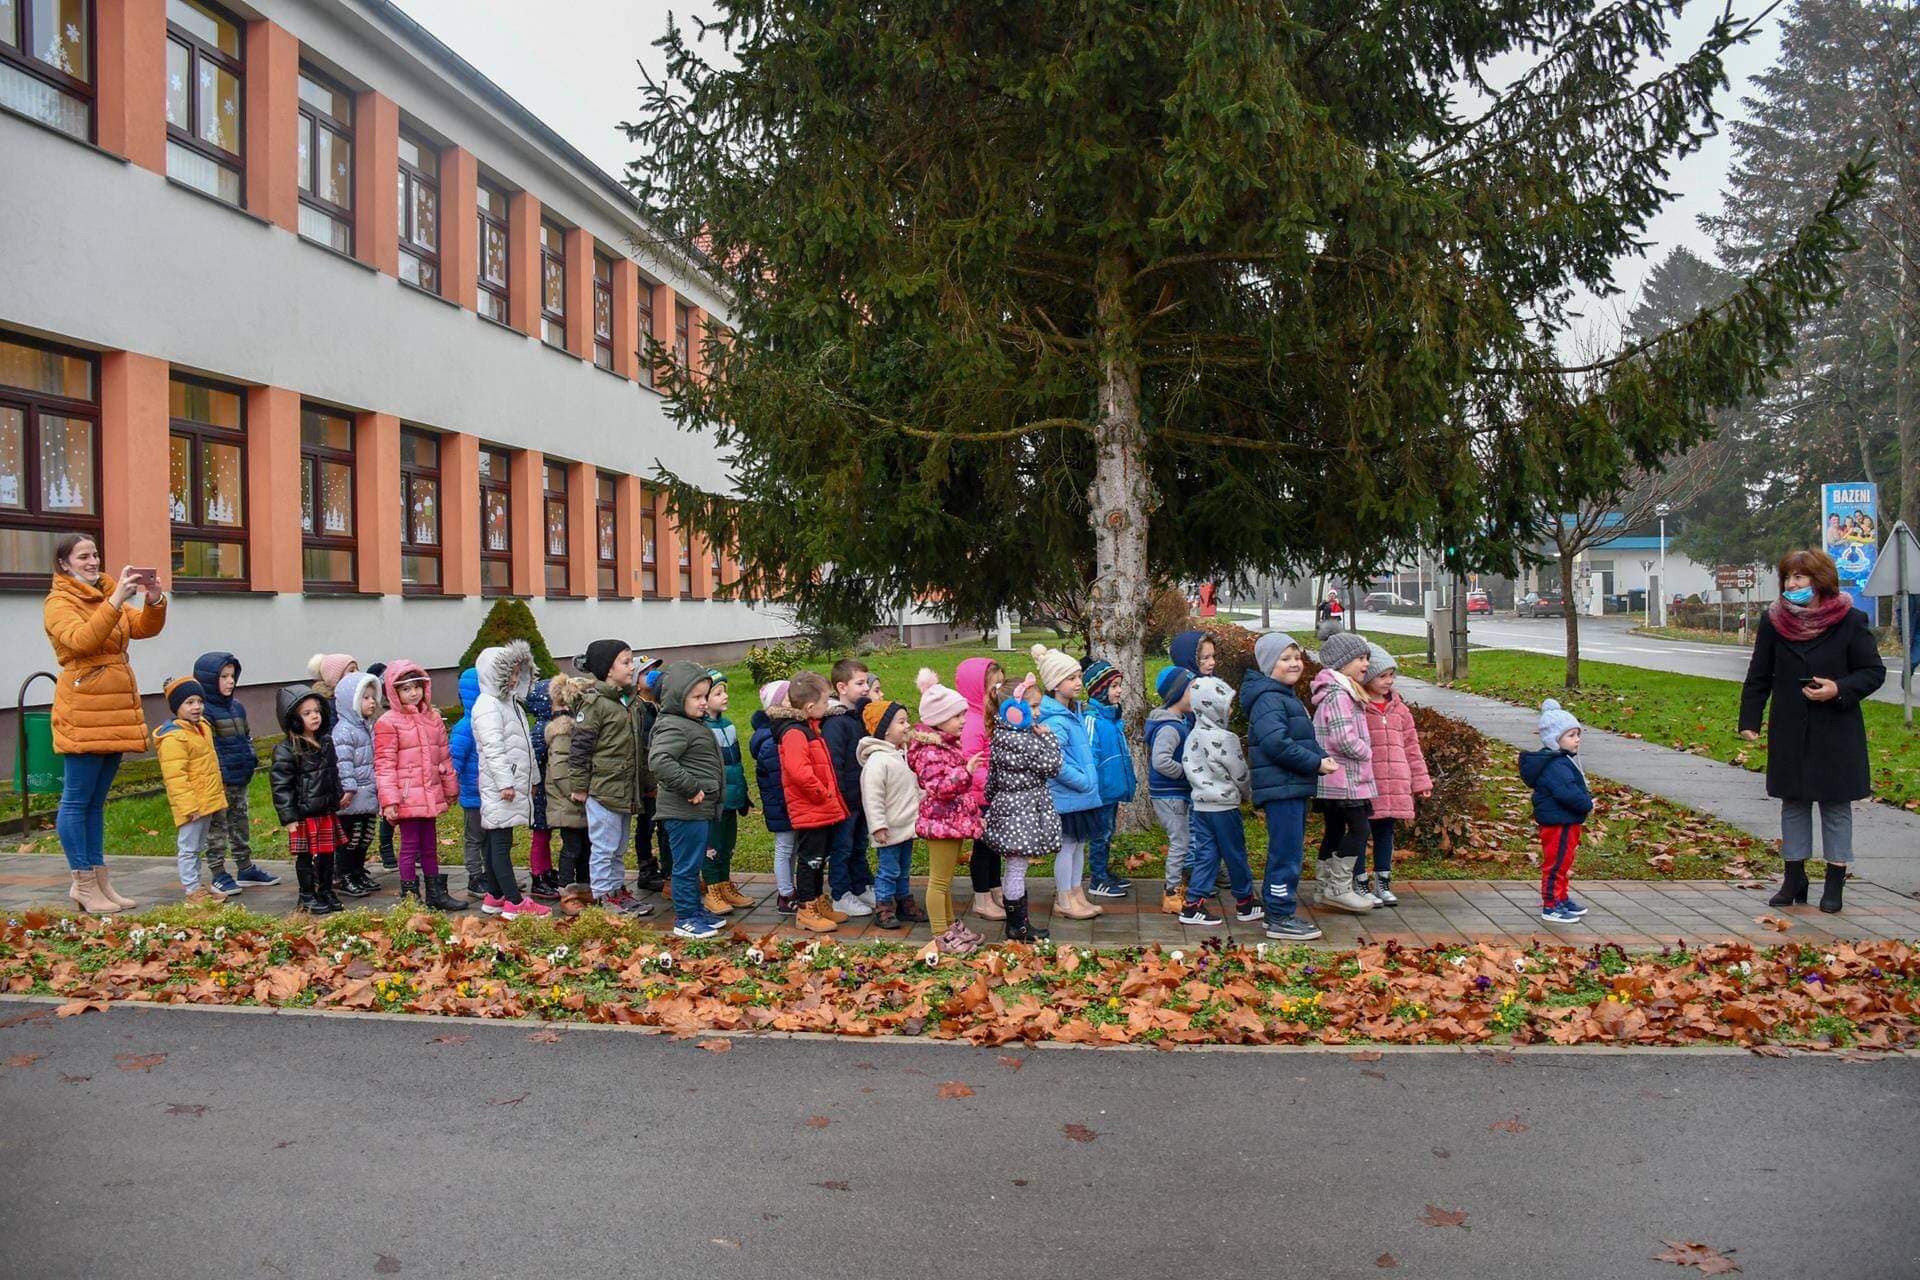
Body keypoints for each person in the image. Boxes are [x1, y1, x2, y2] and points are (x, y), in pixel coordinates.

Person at [1740, 548, 1887, 914]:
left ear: (1818, 580)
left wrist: (1839, 689)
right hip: (1791, 726)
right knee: (1793, 802)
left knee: (1835, 805)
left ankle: (1835, 880)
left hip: (1836, 728)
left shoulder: (1851, 620)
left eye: (1799, 577)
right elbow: (1760, 673)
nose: (1792, 584)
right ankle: (1794, 878)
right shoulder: (1773, 621)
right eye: (1788, 577)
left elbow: (1872, 671)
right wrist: (1750, 720)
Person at [43, 535, 166, 914]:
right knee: (77, 800)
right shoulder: (58, 603)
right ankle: (82, 881)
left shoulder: (105, 594)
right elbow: (82, 640)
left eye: (95, 554)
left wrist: (154, 598)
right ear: (64, 564)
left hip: (113, 709)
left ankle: (100, 881)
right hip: (84, 708)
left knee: (96, 803)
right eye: (83, 556)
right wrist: (115, 601)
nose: (93, 561)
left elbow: (143, 627)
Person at [1243, 631, 1335, 941]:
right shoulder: (1269, 699)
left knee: (1290, 851)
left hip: (1291, 787)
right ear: (1269, 665)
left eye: (1296, 657)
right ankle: (1279, 914)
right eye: (1285, 659)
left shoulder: (1283, 695)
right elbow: (1276, 744)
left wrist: (1320, 756)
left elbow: (1298, 739)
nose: (1294, 664)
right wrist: (1314, 763)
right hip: (1281, 789)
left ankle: (1279, 910)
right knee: (1285, 853)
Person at [569, 640, 654, 917]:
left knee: (618, 846)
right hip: (603, 790)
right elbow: (580, 747)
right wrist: (579, 786)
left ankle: (617, 891)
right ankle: (604, 895)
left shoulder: (630, 702)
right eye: (626, 662)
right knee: (604, 846)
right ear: (607, 669)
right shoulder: (595, 704)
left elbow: (639, 748)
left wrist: (647, 783)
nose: (632, 668)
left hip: (625, 789)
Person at [373, 662, 465, 910]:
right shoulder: (388, 723)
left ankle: (436, 893)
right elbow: (384, 764)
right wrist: (390, 800)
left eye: (417, 687)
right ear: (394, 693)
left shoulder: (432, 718)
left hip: (430, 792)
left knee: (430, 846)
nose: (413, 693)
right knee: (409, 846)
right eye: (405, 689)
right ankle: (411, 897)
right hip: (406, 796)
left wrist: (450, 788)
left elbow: (443, 756)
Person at [908, 668, 986, 953]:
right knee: (938, 882)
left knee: (946, 881)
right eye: (957, 716)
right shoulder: (930, 751)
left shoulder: (946, 746)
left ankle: (951, 925)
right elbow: (939, 787)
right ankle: (940, 934)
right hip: (940, 823)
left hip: (952, 821)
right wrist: (965, 772)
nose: (963, 721)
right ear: (939, 720)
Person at [649, 661, 726, 939]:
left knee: (694, 865)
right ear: (678, 698)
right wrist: (691, 787)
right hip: (684, 810)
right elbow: (659, 761)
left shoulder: (689, 723)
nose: (704, 703)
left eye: (706, 696)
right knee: (686, 866)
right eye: (696, 697)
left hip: (698, 810)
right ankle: (685, 918)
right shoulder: (674, 726)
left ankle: (694, 909)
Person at [471, 641, 547, 918]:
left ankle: (495, 895)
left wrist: (533, 778)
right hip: (501, 787)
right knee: (500, 843)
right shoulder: (488, 706)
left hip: (512, 783)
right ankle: (514, 901)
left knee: (496, 841)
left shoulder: (509, 703)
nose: (515, 678)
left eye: (517, 672)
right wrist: (506, 783)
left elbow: (524, 746)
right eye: (509, 673)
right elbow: (494, 749)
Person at [191, 651, 278, 893]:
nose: (230, 681)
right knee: (217, 827)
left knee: (240, 822)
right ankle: (218, 871)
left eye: (232, 676)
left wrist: (250, 758)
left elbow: (246, 736)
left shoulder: (237, 707)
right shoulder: (204, 712)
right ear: (208, 680)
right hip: (217, 781)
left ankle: (245, 866)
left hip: (240, 777)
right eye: (224, 676)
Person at [983, 680, 1062, 942]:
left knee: (1014, 867)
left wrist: (994, 803)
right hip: (1024, 811)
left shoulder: (1000, 736)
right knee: (1017, 869)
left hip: (1008, 807)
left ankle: (1020, 924)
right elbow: (1052, 766)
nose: (1038, 712)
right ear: (1014, 709)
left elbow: (992, 778)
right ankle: (1018, 927)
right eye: (1034, 706)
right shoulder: (1026, 740)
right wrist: (1049, 737)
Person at [1031, 642, 1104, 920]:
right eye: (1071, 678)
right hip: (1069, 796)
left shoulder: (1072, 711)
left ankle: (1076, 892)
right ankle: (1064, 896)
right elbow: (1054, 762)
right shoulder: (1057, 720)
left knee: (1078, 846)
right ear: (1054, 683)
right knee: (1068, 847)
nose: (1078, 682)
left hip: (1079, 797)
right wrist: (1083, 781)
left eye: (1078, 676)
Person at [772, 672, 849, 933]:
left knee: (819, 857)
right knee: (810, 859)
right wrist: (821, 793)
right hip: (811, 808)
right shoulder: (795, 732)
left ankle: (817, 900)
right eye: (826, 701)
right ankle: (806, 908)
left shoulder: (810, 728)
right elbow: (799, 771)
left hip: (820, 808)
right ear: (809, 707)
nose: (828, 706)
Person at [1179, 676, 1258, 926]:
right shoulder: (1226, 738)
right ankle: (1245, 901)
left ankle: (1193, 904)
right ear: (1214, 707)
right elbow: (1240, 773)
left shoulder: (1192, 735)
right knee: (1235, 853)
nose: (1231, 709)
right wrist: (1251, 795)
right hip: (1224, 807)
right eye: (1227, 704)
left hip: (1201, 806)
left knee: (1206, 854)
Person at [1356, 645, 1430, 906]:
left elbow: (1412, 747)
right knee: (1360, 833)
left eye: (1391, 675)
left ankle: (1383, 882)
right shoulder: (1359, 707)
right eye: (1382, 676)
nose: (1388, 681)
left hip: (1395, 784)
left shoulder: (1400, 709)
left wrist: (1420, 780)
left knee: (1385, 834)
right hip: (1368, 783)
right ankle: (1359, 881)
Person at [1310, 632, 1378, 913]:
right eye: (1360, 658)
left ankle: (1324, 885)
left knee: (1335, 829)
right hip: (1345, 778)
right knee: (1360, 829)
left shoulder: (1341, 691)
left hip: (1337, 780)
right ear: (1343, 662)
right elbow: (1342, 738)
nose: (1365, 664)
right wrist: (1367, 752)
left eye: (1366, 658)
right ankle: (1339, 887)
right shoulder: (1339, 695)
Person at [154, 676, 229, 905]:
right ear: (177, 707)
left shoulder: (202, 728)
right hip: (192, 805)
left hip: (206, 800)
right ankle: (191, 889)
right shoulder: (174, 738)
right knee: (188, 848)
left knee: (199, 846)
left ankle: (197, 885)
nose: (196, 707)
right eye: (189, 702)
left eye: (199, 701)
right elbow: (176, 777)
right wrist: (189, 807)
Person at [271, 684, 345, 916]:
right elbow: (281, 786)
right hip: (304, 814)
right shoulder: (286, 750)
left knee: (327, 854)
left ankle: (324, 890)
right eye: (306, 713)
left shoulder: (325, 742)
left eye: (317, 711)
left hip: (325, 811)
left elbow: (333, 772)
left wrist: (338, 795)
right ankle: (306, 895)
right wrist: (289, 817)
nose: (314, 716)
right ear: (293, 719)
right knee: (306, 857)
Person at [1519, 700, 1592, 924]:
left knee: (1565, 861)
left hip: (1567, 821)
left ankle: (1561, 898)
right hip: (1558, 822)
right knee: (1556, 863)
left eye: (1577, 734)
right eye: (1571, 735)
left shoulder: (1561, 761)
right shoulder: (1555, 766)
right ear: (1555, 739)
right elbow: (1567, 793)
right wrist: (1587, 803)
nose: (1577, 739)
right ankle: (1551, 905)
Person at [858, 698, 921, 930]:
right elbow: (872, 798)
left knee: (904, 868)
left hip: (906, 827)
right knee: (889, 870)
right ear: (884, 730)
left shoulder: (899, 755)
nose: (907, 726)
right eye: (901, 722)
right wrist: (878, 826)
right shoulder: (877, 762)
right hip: (888, 829)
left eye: (907, 721)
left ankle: (903, 900)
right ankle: (883, 905)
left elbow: (910, 789)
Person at [822, 658, 877, 917]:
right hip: (846, 799)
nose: (866, 688)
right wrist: (841, 797)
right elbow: (835, 764)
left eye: (866, 682)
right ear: (842, 687)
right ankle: (840, 894)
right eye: (860, 683)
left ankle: (860, 885)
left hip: (863, 796)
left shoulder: (859, 716)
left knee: (858, 845)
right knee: (842, 847)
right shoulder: (836, 723)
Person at [954, 658, 1007, 922]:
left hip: (993, 792)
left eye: (1001, 683)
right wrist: (992, 786)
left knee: (993, 846)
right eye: (992, 685)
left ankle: (995, 888)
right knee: (983, 848)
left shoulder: (988, 715)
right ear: (977, 688)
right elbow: (973, 762)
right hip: (982, 796)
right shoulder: (973, 721)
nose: (998, 690)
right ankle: (981, 897)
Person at [700, 670, 755, 917]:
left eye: (725, 691)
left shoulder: (729, 725)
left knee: (728, 844)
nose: (725, 696)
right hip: (713, 800)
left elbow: (738, 763)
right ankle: (712, 888)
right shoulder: (702, 729)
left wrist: (743, 793)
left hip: (732, 798)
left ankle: (724, 883)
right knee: (712, 844)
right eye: (718, 692)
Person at [1080, 657, 1136, 899]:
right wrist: (1092, 786)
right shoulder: (1093, 719)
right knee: (1100, 834)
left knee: (1108, 831)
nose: (1119, 690)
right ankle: (1098, 878)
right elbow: (1090, 756)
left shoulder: (1112, 718)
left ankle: (1103, 871)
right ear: (1100, 690)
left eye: (1119, 685)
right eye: (1114, 686)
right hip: (1100, 791)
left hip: (1111, 790)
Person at [1145, 664, 1196, 914]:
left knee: (1182, 841)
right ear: (1177, 693)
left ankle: (1175, 886)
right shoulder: (1170, 727)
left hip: (1174, 793)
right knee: (1180, 842)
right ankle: (1171, 892)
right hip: (1169, 794)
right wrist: (1188, 774)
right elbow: (1161, 761)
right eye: (1192, 690)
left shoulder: (1178, 721)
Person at [329, 671, 383, 898]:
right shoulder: (343, 731)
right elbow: (343, 762)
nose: (371, 702)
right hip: (352, 797)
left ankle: (357, 869)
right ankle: (343, 874)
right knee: (350, 837)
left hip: (368, 792)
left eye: (373, 697)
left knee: (365, 835)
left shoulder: (367, 727)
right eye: (365, 697)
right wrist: (348, 788)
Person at [542, 675, 592, 914]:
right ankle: (566, 889)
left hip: (578, 802)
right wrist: (575, 791)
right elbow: (560, 769)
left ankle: (583, 887)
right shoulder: (563, 733)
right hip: (568, 803)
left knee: (586, 846)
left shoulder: (574, 731)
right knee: (571, 848)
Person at [750, 679, 799, 914]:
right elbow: (779, 778)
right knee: (785, 847)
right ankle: (785, 893)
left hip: (790, 803)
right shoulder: (772, 741)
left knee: (793, 848)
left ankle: (790, 888)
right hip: (782, 805)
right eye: (789, 698)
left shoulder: (783, 733)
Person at [448, 667, 489, 900]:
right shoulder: (465, 727)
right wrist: (453, 786)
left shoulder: (488, 721)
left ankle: (490, 873)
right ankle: (475, 875)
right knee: (474, 837)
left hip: (489, 792)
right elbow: (455, 760)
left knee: (490, 837)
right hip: (473, 793)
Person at [629, 654, 669, 895]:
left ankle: (667, 867)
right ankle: (646, 868)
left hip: (663, 776)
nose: (652, 676)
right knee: (647, 824)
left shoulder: (659, 705)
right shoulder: (639, 710)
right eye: (646, 673)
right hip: (649, 778)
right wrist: (649, 781)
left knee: (663, 825)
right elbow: (644, 747)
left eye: (655, 670)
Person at [524, 667, 560, 902]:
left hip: (550, 791)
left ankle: (547, 871)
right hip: (540, 793)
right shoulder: (541, 731)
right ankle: (538, 875)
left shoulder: (552, 728)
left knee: (546, 834)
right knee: (540, 834)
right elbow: (536, 762)